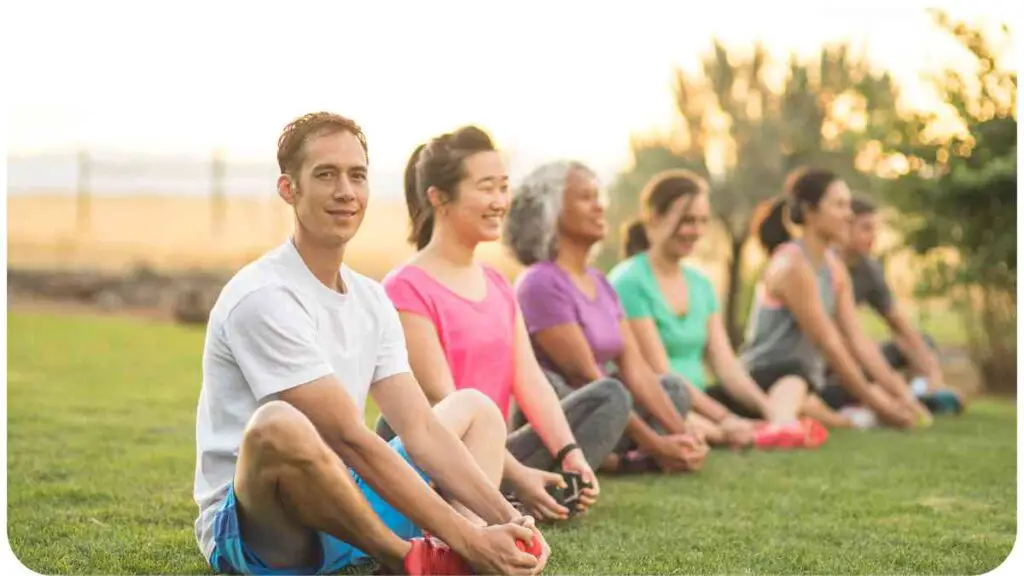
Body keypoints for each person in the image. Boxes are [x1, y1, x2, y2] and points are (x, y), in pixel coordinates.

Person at [192, 112, 549, 576]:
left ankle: (469, 544)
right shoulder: (262, 296)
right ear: (289, 189)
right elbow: (348, 437)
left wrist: (508, 518)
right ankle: (411, 560)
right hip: (263, 534)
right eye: (325, 175)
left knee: (475, 408)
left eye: (356, 176)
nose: (345, 191)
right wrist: (466, 541)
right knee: (277, 426)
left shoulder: (370, 298)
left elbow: (419, 428)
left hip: (347, 505)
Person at [376, 126, 629, 524]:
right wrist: (522, 475)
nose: (499, 202)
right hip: (438, 457)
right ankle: (498, 500)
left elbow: (529, 381)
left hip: (497, 453)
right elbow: (445, 403)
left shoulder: (497, 283)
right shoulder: (405, 287)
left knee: (607, 397)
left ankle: (509, 496)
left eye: (503, 187)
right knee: (422, 420)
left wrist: (569, 453)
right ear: (439, 197)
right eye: (486, 188)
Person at [503, 160, 709, 474]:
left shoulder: (600, 282)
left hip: (605, 410)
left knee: (671, 388)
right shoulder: (539, 282)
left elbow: (634, 366)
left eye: (599, 197)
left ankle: (621, 458)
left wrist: (684, 432)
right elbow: (585, 375)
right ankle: (627, 460)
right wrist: (657, 443)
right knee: (608, 392)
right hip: (564, 415)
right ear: (552, 211)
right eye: (586, 198)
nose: (599, 207)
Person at [607, 169, 828, 450]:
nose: (695, 231)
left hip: (702, 399)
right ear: (654, 217)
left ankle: (775, 424)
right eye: (687, 221)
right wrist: (726, 419)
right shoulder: (629, 281)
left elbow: (726, 365)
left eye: (702, 221)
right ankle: (734, 433)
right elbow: (661, 373)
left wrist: (767, 410)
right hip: (658, 400)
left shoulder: (701, 285)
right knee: (681, 411)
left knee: (791, 371)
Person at [740, 166, 930, 430]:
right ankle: (832, 416)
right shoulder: (792, 266)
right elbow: (830, 343)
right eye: (840, 205)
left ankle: (827, 412)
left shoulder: (833, 266)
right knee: (848, 395)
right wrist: (882, 407)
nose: (848, 214)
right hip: (768, 378)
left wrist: (903, 397)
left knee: (863, 389)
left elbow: (858, 340)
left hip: (809, 379)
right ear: (810, 211)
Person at [836, 197, 963, 414]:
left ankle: (921, 394)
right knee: (862, 362)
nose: (872, 237)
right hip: (832, 358)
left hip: (859, 353)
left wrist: (934, 374)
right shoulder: (825, 266)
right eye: (865, 229)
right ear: (844, 226)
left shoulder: (869, 270)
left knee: (920, 342)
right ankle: (896, 397)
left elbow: (900, 324)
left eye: (875, 229)